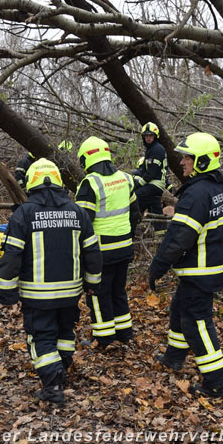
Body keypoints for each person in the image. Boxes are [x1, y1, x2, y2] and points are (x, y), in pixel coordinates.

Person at [0, 158, 102, 405]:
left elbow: (11, 257)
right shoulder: (78, 212)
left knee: (41, 336)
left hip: (37, 295)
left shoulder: (24, 214)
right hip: (70, 293)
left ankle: (53, 384)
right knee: (65, 332)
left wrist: (7, 291)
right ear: (59, 182)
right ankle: (61, 370)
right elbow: (93, 252)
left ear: (31, 183)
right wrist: (93, 282)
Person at [149, 132, 223, 398]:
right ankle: (174, 357)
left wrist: (157, 267)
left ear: (202, 162)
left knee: (196, 322)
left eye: (188, 157)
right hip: (211, 268)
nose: (183, 161)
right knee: (179, 308)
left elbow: (179, 238)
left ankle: (217, 381)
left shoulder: (196, 194)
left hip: (200, 270)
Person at [75, 136, 140, 347]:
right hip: (124, 247)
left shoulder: (90, 184)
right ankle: (124, 333)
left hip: (100, 251)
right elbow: (135, 213)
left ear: (86, 159)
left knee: (97, 293)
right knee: (118, 291)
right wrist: (127, 236)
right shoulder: (125, 178)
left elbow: (83, 223)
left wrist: (80, 253)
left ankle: (103, 337)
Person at [133, 122, 169, 236]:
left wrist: (139, 183)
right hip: (154, 186)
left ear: (155, 136)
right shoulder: (150, 150)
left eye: (150, 135)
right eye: (146, 136)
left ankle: (134, 224)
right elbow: (144, 170)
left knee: (136, 196)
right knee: (155, 209)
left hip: (155, 184)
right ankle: (161, 234)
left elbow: (152, 172)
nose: (148, 138)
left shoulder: (157, 149)